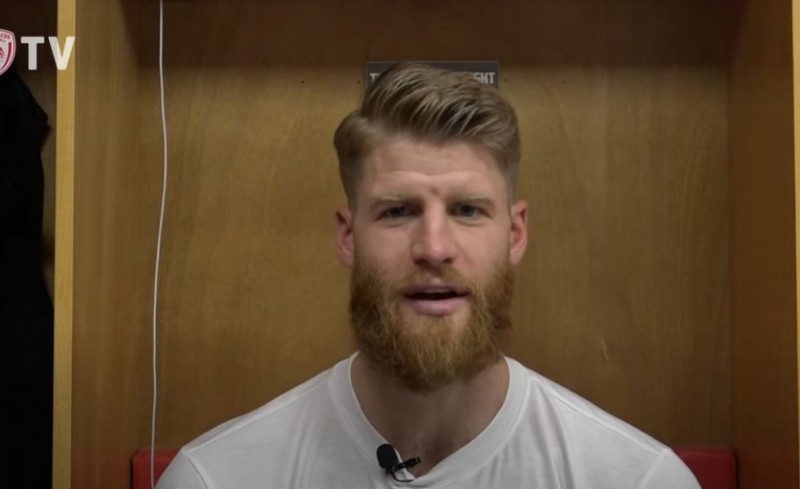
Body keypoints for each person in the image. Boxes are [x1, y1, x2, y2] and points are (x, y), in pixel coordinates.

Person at [156, 63, 700, 489]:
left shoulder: (639, 480)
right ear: (348, 236)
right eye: (397, 211)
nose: (434, 248)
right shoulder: (214, 479)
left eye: (467, 210)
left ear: (515, 234)